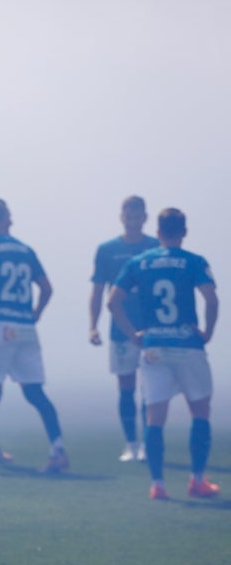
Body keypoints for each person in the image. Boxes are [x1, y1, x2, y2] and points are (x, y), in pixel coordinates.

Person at [108, 207, 219, 500]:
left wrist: (134, 335)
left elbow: (113, 302)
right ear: (184, 232)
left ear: (157, 232)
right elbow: (211, 298)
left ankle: (158, 484)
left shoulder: (139, 262)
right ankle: (196, 480)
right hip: (187, 346)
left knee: (155, 417)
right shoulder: (194, 261)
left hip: (154, 347)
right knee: (200, 413)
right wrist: (208, 331)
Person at [0, 198, 68, 473]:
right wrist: (35, 314)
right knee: (33, 391)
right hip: (24, 327)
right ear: (8, 219)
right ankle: (58, 448)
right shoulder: (24, 249)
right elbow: (47, 288)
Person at [89, 196, 159, 461]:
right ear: (122, 217)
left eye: (137, 216)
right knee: (126, 387)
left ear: (144, 217)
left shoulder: (154, 247)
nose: (132, 220)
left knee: (151, 389)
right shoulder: (107, 249)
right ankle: (131, 443)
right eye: (127, 216)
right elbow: (97, 291)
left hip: (152, 330)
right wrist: (92, 326)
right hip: (121, 329)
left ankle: (150, 443)